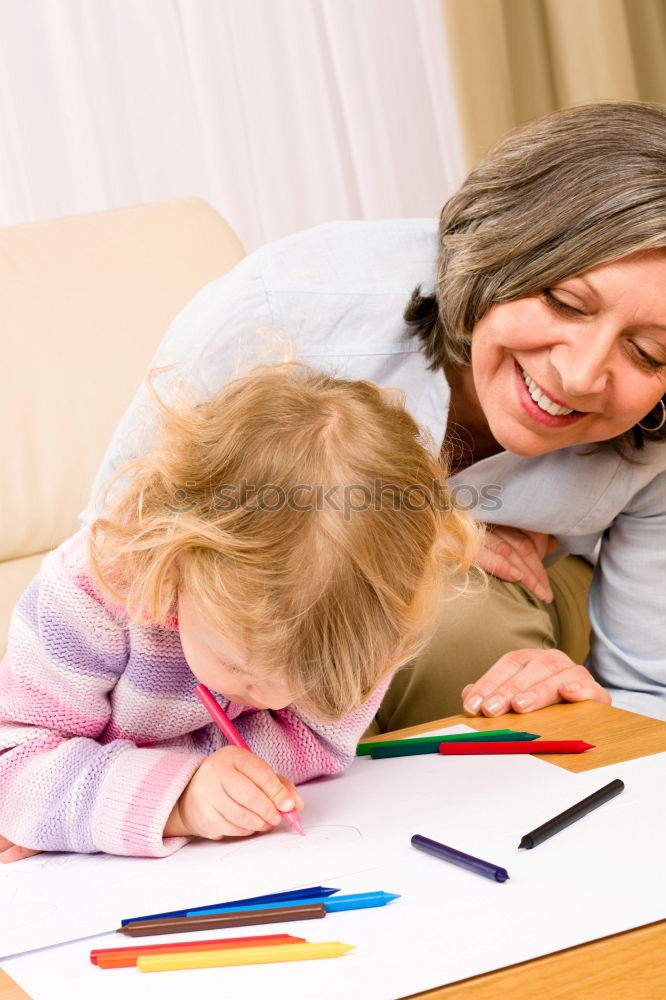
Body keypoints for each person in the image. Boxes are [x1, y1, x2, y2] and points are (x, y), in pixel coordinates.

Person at [85, 100, 666, 726]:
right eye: (565, 303)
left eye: (648, 352)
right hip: (244, 638)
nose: (579, 375)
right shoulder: (284, 309)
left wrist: (581, 696)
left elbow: (646, 684)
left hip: (532, 605)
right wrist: (413, 534)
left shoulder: (652, 435)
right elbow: (116, 561)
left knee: (474, 626)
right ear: (503, 252)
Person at [0, 362, 479, 862]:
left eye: (311, 682)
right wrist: (182, 798)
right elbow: (12, 765)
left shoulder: (370, 618)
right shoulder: (87, 596)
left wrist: (213, 784)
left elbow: (320, 742)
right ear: (178, 562)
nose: (279, 698)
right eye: (239, 667)